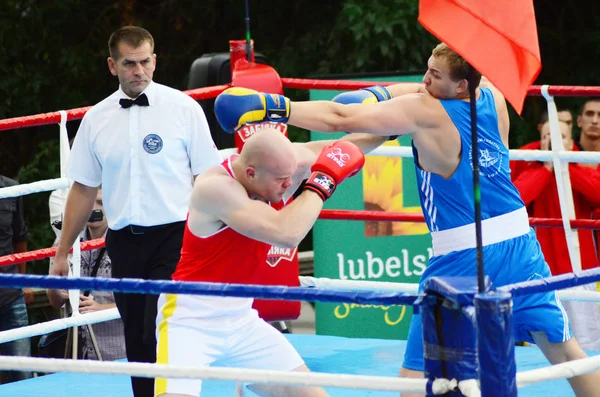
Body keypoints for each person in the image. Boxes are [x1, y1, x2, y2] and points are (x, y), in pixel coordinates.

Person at [213, 43, 600, 397]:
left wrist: (268, 105)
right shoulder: (492, 96)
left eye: (435, 75)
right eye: (426, 69)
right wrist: (380, 95)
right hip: (519, 242)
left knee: (415, 382)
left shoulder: (424, 111)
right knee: (563, 349)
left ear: (461, 83)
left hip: (461, 258)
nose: (425, 79)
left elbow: (338, 116)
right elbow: (413, 94)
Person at [50, 26, 222, 396]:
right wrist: (62, 251)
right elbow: (82, 189)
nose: (138, 71)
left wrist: (216, 235)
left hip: (177, 236)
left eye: (145, 62)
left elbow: (209, 177)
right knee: (137, 341)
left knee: (156, 327)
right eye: (129, 64)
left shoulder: (183, 108)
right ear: (113, 66)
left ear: (155, 61)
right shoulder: (96, 119)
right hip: (125, 242)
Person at [155, 128, 383, 397]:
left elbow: (340, 148)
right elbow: (287, 233)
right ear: (251, 173)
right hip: (190, 318)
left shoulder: (281, 164)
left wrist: (392, 129)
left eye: (291, 177)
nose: (289, 185)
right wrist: (322, 181)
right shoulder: (215, 187)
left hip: (241, 318)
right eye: (282, 180)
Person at [511, 119, 600, 350]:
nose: (554, 142)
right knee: (543, 344)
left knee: (588, 343)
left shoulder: (581, 168)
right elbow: (517, 199)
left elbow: (597, 193)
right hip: (541, 274)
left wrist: (564, 162)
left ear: (571, 142)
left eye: (561, 137)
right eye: (549, 136)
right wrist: (548, 166)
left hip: (582, 274)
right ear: (540, 140)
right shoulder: (530, 169)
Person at [47, 188, 126, 361]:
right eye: (90, 202)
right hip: (78, 353)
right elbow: (54, 301)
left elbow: (143, 302)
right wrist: (56, 291)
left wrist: (101, 310)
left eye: (101, 203)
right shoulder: (64, 242)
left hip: (119, 353)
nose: (94, 209)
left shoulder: (127, 243)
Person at [0, 175, 32, 383]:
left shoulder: (10, 188)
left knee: (24, 370)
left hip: (11, 294)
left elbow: (20, 238)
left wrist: (22, 281)